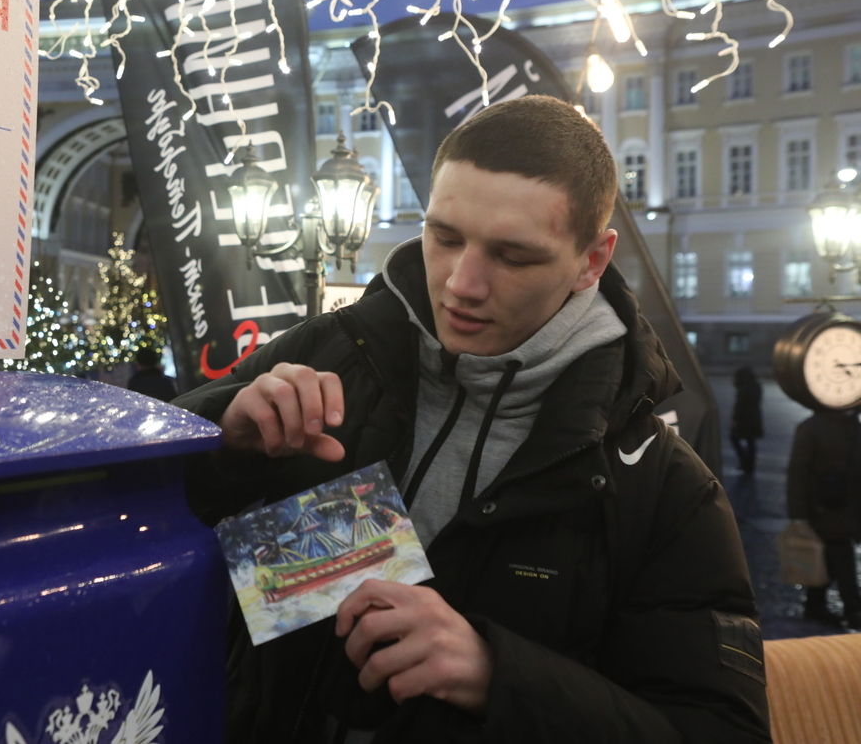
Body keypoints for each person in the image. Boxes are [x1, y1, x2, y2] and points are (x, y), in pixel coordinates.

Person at [175, 96, 769, 742]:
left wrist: (499, 675)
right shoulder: (331, 351)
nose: (462, 282)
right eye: (444, 236)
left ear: (592, 260)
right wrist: (220, 436)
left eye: (513, 256)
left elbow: (719, 728)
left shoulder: (660, 486)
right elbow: (134, 503)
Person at [787, 408, 861, 628]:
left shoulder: (850, 427)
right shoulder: (813, 428)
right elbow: (797, 474)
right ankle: (852, 607)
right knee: (841, 553)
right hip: (823, 507)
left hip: (841, 506)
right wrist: (798, 514)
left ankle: (815, 604)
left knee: (828, 556)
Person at [731, 366, 764, 474]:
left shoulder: (743, 389)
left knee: (734, 438)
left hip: (744, 420)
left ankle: (745, 462)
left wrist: (735, 420)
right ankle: (749, 464)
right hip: (754, 418)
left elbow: (739, 406)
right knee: (751, 442)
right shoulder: (756, 387)